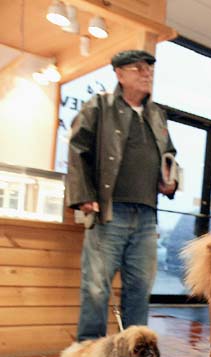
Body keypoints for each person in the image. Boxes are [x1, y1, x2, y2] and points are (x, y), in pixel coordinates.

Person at [66, 49, 178, 341]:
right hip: (109, 212)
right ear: (119, 73)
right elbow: (78, 148)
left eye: (150, 69)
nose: (146, 74)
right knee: (96, 288)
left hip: (146, 217)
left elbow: (169, 155)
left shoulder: (157, 115)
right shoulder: (99, 106)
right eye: (139, 68)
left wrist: (170, 181)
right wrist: (84, 195)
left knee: (140, 288)